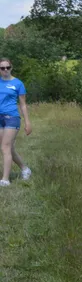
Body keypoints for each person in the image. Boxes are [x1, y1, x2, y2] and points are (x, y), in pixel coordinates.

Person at [0, 58, 32, 187]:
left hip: (12, 118)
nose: (5, 70)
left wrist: (27, 122)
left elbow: (23, 105)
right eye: (2, 68)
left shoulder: (18, 83)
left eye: (8, 67)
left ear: (11, 68)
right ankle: (25, 169)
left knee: (5, 147)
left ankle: (5, 180)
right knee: (9, 148)